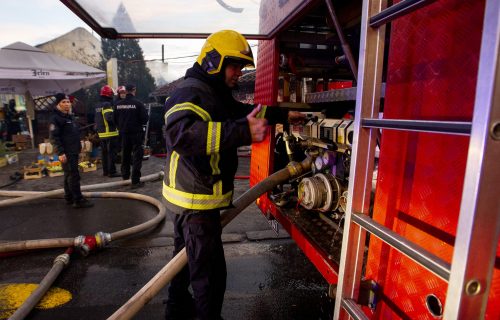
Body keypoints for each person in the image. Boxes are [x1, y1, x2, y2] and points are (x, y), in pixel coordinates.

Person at [163, 29, 305, 320]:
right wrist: (241, 132)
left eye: (241, 67)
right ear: (214, 60)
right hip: (196, 202)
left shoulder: (212, 91)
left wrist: (281, 115)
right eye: (234, 65)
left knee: (184, 262)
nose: (239, 73)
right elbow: (180, 133)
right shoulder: (191, 91)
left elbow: (243, 111)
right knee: (210, 275)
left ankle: (176, 309)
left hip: (192, 198)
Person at [49, 93, 93, 208]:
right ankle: (78, 200)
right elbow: (54, 137)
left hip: (73, 150)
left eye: (68, 102)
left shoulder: (69, 117)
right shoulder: (55, 118)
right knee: (73, 175)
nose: (67, 104)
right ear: (58, 104)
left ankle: (69, 197)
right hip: (66, 152)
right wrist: (60, 152)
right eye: (63, 102)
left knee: (68, 174)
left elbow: (73, 132)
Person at [114, 84, 149, 188]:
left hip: (123, 133)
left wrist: (121, 127)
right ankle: (135, 181)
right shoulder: (138, 104)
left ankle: (125, 178)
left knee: (125, 154)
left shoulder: (117, 104)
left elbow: (114, 119)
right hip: (136, 133)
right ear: (134, 90)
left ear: (125, 91)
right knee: (137, 156)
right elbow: (145, 119)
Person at [95, 85, 120, 177]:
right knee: (111, 154)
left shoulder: (98, 105)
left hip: (102, 134)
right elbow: (109, 118)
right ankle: (112, 172)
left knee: (104, 154)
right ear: (109, 94)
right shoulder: (107, 104)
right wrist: (117, 120)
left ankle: (105, 171)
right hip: (110, 133)